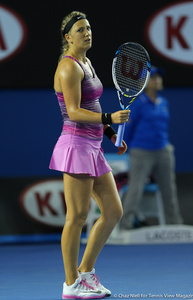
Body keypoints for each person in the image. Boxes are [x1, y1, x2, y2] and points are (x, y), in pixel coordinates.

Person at [49, 11, 130, 299]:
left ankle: (86, 273)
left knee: (113, 211)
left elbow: (92, 105)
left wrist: (110, 135)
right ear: (68, 37)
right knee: (77, 216)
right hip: (76, 146)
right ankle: (71, 284)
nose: (87, 32)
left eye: (89, 28)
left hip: (94, 147)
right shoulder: (68, 68)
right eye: (80, 29)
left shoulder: (87, 62)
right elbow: (73, 112)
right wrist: (111, 117)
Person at [120, 66, 183, 230]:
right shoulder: (138, 104)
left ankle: (175, 226)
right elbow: (127, 128)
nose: (158, 81)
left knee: (169, 189)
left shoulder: (164, 103)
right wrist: (124, 147)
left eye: (159, 78)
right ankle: (125, 226)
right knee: (136, 189)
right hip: (141, 152)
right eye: (153, 78)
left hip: (164, 151)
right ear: (144, 82)